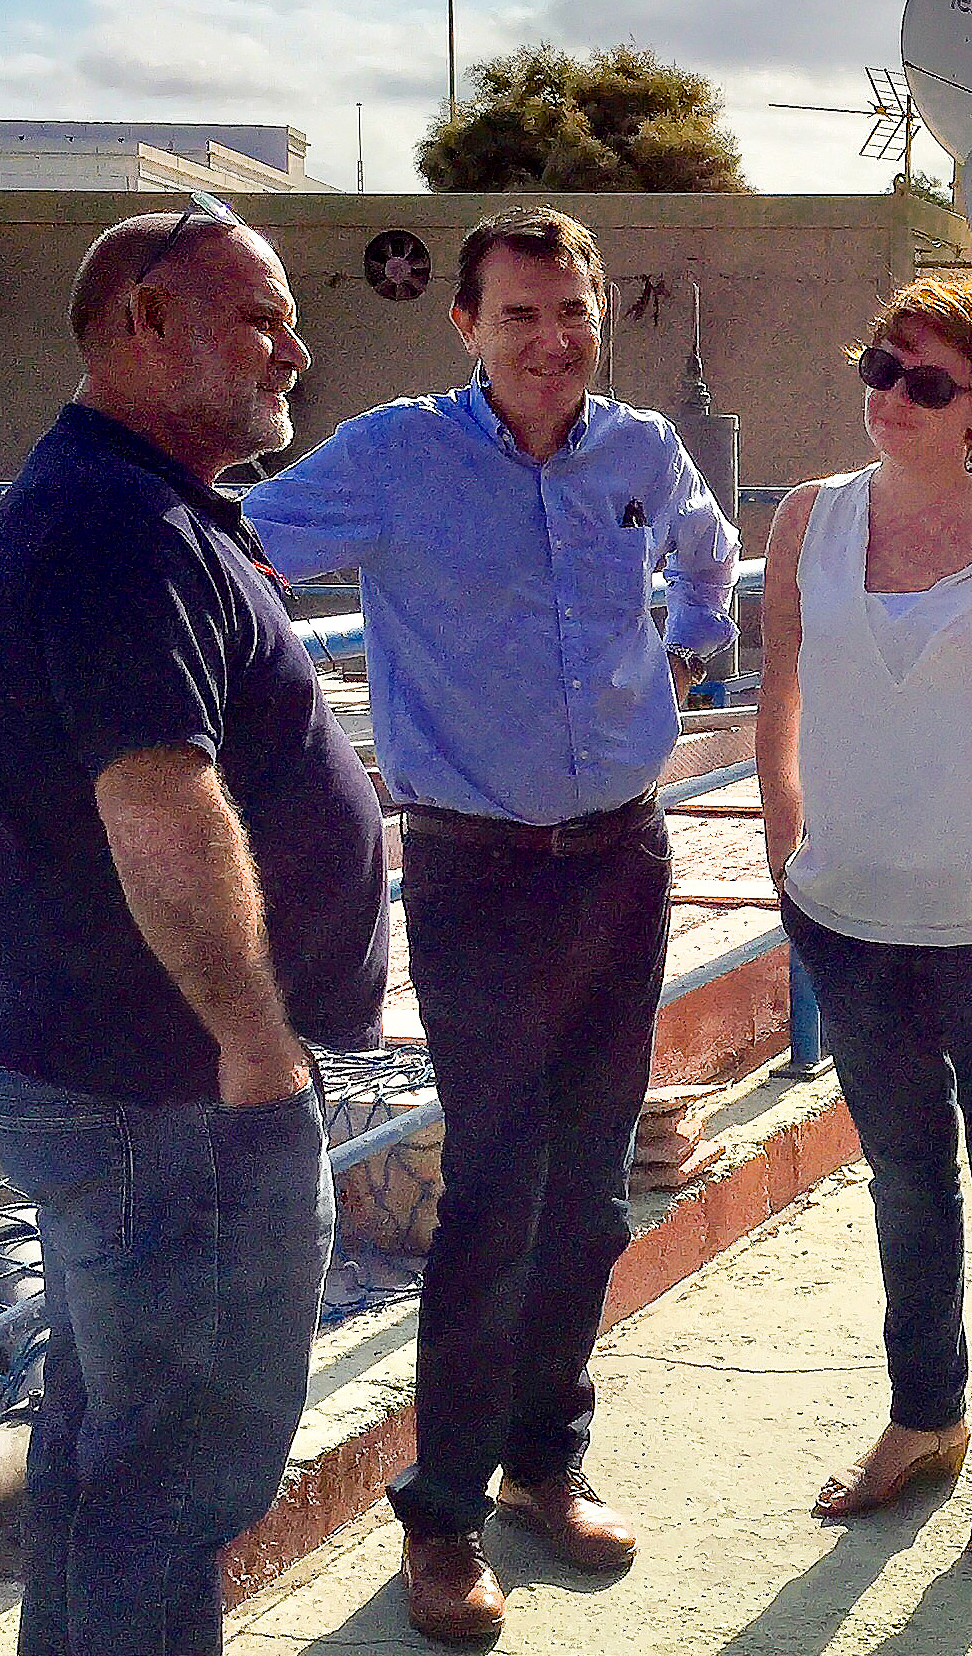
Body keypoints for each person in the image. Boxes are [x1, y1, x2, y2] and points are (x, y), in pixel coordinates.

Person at [242, 206, 737, 1640]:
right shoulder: (400, 456)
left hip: (623, 863)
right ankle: (442, 1511)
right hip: (476, 876)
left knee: (588, 1193)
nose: (549, 339)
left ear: (598, 318)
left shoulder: (640, 451)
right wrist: (266, 715)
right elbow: (236, 545)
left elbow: (708, 558)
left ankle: (545, 1464)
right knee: (492, 1196)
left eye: (569, 310)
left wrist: (693, 650)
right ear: (465, 325)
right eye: (516, 313)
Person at [0, 198, 390, 1656]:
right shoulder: (118, 525)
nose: (296, 346)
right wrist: (257, 1049)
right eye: (259, 315)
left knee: (101, 1456)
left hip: (120, 1079)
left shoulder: (137, 507)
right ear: (143, 322)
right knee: (170, 1485)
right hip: (171, 1095)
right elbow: (161, 807)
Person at [754, 275, 972, 1557]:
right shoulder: (809, 517)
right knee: (906, 1182)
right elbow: (780, 690)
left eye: (926, 382)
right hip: (849, 920)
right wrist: (782, 845)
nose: (890, 397)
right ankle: (924, 1417)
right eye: (878, 366)